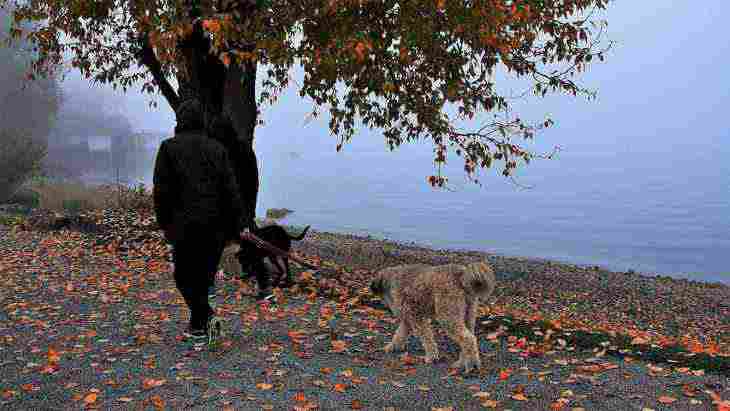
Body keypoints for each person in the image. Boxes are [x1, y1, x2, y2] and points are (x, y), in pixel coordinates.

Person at [153, 98, 248, 343]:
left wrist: (165, 225)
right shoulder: (217, 149)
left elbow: (162, 192)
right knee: (203, 278)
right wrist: (239, 225)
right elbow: (231, 190)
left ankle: (203, 321)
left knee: (184, 277)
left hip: (183, 227)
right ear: (202, 121)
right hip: (215, 228)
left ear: (180, 121)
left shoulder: (168, 148)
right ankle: (201, 323)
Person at [208, 115, 275, 302]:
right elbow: (254, 183)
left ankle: (208, 287)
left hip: (223, 210)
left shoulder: (218, 153)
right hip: (243, 211)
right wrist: (250, 211)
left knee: (212, 247)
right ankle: (265, 287)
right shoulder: (245, 150)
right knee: (252, 249)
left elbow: (217, 185)